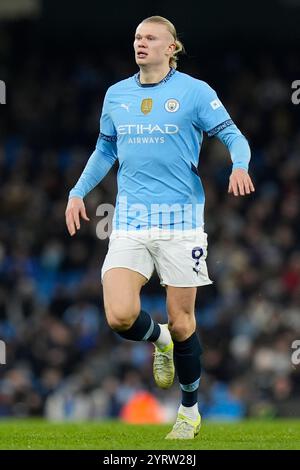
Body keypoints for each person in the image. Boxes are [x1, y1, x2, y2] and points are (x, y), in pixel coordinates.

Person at [65, 15, 255, 439]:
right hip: (130, 222)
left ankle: (189, 411)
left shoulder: (195, 92)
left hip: (181, 224)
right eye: (136, 37)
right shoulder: (116, 95)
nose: (141, 43)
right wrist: (77, 192)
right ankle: (159, 340)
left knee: (183, 320)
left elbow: (232, 134)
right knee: (119, 316)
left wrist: (239, 166)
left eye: (150, 37)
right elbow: (103, 150)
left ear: (172, 48)